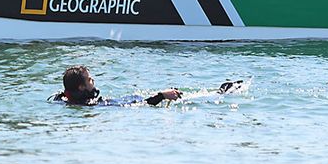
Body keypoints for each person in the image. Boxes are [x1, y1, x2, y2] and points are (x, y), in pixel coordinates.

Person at [51, 65, 244, 107]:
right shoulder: (92, 105)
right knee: (181, 98)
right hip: (133, 104)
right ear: (81, 87)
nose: (93, 81)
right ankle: (220, 93)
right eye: (89, 80)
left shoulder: (62, 98)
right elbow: (139, 105)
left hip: (128, 100)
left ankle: (219, 92)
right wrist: (161, 95)